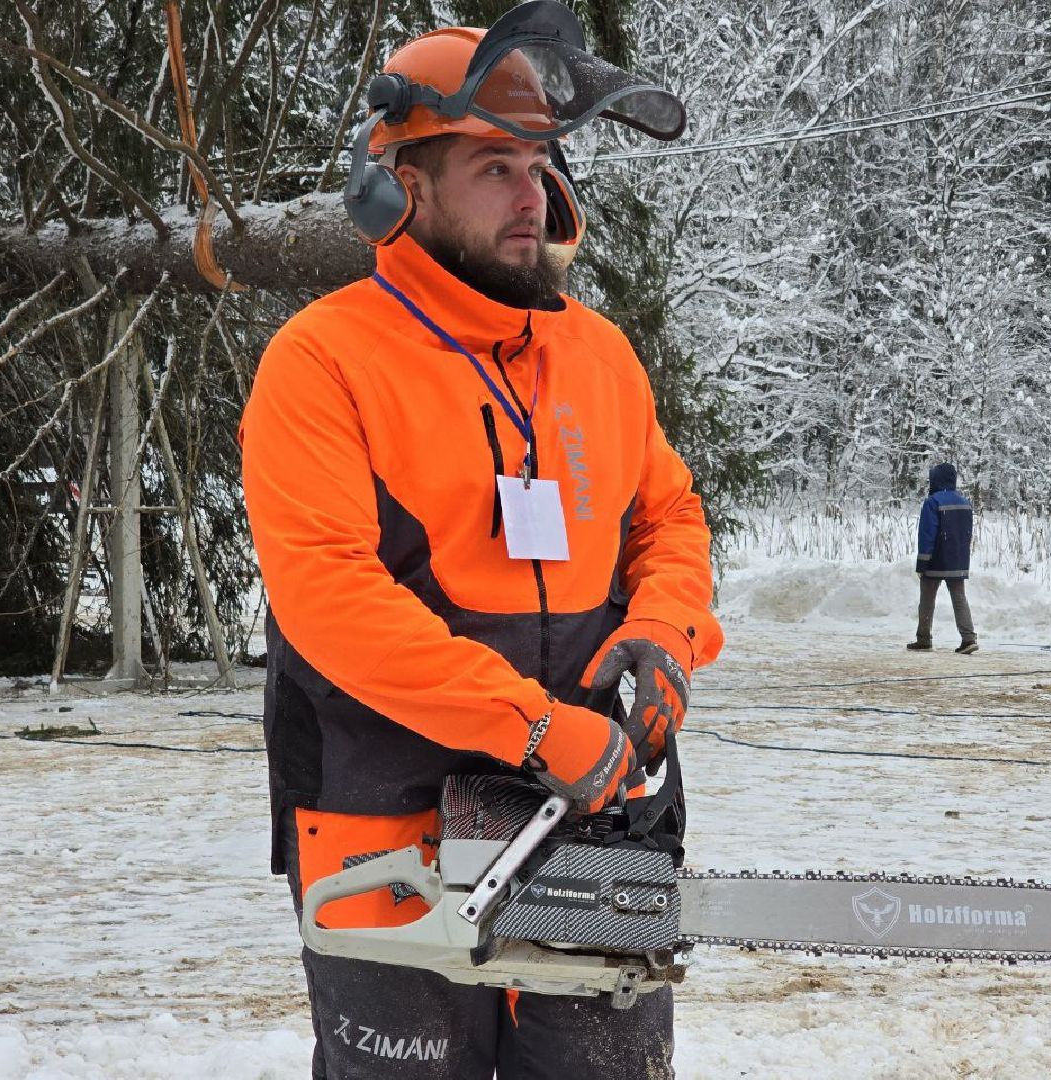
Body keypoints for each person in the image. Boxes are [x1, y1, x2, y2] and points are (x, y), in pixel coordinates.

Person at [239, 5, 720, 1076]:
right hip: (383, 823)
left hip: (601, 811)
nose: (534, 196)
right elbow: (334, 604)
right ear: (400, 187)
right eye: (496, 167)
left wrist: (664, 637)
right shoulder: (323, 362)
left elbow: (670, 517)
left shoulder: (598, 355)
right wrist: (538, 730)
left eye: (542, 164)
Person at [907, 461, 978, 654]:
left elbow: (927, 534)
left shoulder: (933, 502)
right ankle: (968, 638)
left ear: (935, 480)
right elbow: (966, 533)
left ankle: (923, 638)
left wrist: (922, 562)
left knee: (927, 599)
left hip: (936, 559)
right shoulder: (964, 502)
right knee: (959, 597)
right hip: (957, 559)